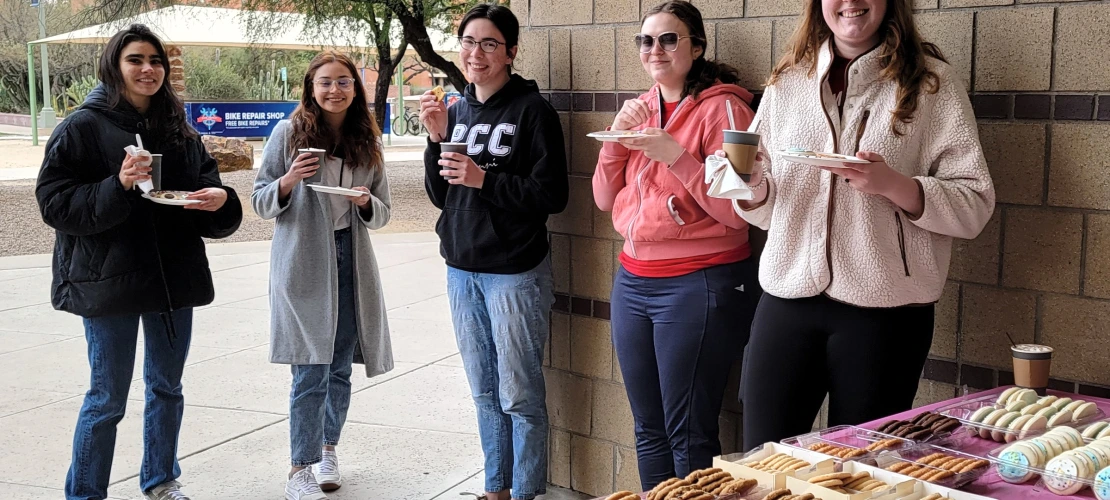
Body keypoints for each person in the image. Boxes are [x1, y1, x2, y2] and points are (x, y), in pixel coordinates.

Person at [715, 0, 995, 451]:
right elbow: (767, 211)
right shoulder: (787, 81)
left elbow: (976, 204)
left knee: (865, 471)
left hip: (885, 312)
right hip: (786, 300)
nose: (849, 3)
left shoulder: (930, 84)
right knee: (764, 462)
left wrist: (894, 185)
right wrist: (750, 186)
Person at [34, 23, 242, 500]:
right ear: (115, 66)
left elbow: (206, 191)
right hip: (109, 281)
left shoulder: (179, 128)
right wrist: (119, 183)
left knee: (167, 387)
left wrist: (220, 200)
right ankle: (86, 493)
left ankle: (161, 479)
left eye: (155, 61)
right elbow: (55, 204)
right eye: (136, 60)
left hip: (173, 278)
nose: (147, 69)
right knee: (106, 398)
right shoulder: (81, 128)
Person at [591, 0, 762, 489]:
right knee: (648, 430)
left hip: (698, 282)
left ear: (697, 47)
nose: (656, 49)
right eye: (647, 40)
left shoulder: (727, 108)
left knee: (687, 433)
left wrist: (677, 156)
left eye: (669, 38)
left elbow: (736, 212)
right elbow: (605, 199)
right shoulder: (641, 107)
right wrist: (616, 139)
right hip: (633, 280)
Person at [418, 4, 568, 500]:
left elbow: (552, 196)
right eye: (467, 42)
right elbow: (443, 196)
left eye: (488, 44)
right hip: (461, 269)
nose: (475, 53)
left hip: (514, 271)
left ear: (510, 53)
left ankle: (525, 492)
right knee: (484, 391)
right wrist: (436, 138)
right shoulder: (457, 111)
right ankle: (495, 489)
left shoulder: (532, 111)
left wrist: (486, 179)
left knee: (519, 394)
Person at [251, 51, 393, 500]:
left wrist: (365, 202)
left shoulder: (367, 141)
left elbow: (383, 212)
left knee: (338, 369)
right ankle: (300, 468)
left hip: (350, 261)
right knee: (309, 368)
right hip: (303, 263)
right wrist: (289, 180)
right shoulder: (288, 134)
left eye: (344, 82)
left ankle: (328, 448)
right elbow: (259, 202)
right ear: (311, 88)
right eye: (326, 82)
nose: (335, 90)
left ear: (356, 89)